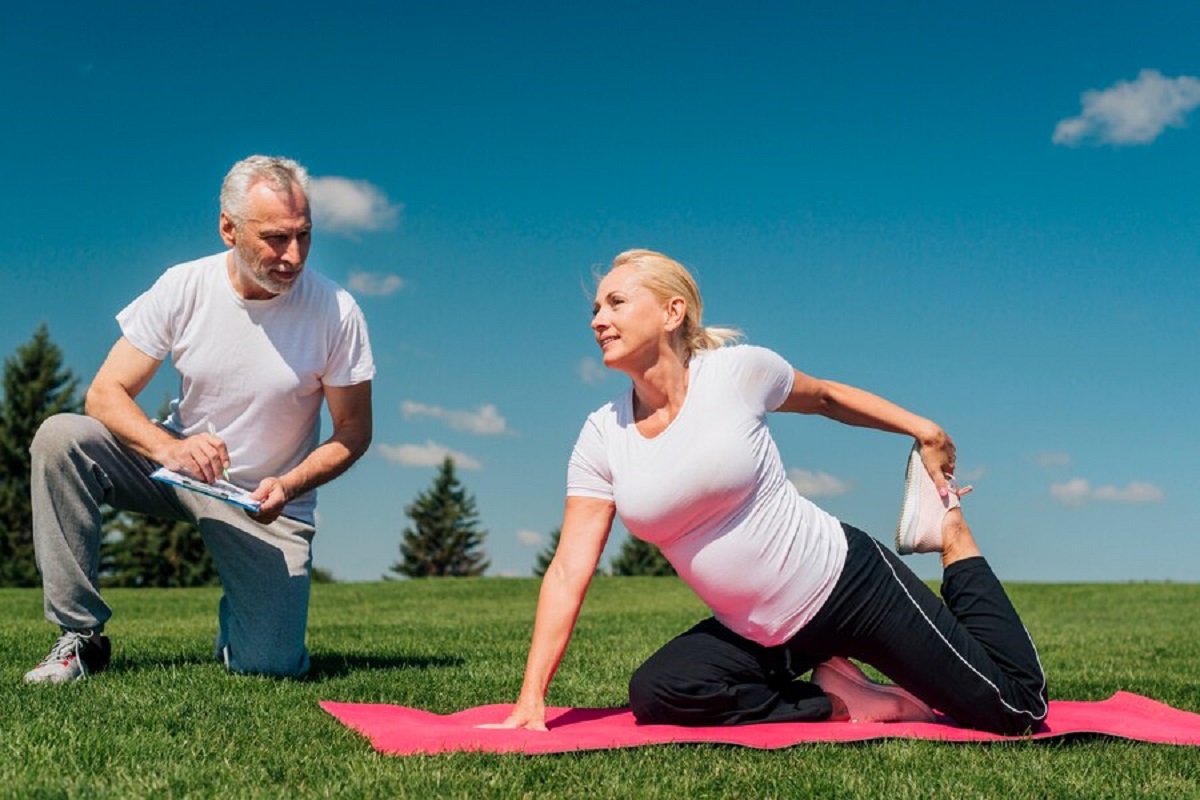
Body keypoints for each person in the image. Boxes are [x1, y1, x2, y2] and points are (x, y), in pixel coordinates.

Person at [492, 249, 1047, 734]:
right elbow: (569, 569)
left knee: (1016, 710)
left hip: (849, 587)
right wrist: (532, 695)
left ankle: (955, 537)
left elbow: (826, 396)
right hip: (763, 635)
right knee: (660, 690)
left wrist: (923, 430)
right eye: (594, 309)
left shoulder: (735, 374)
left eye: (614, 303)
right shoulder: (601, 436)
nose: (598, 320)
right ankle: (844, 700)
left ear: (671, 312)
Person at [24, 155, 375, 683]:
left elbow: (354, 432)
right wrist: (168, 449)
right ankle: (80, 636)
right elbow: (104, 394)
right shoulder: (184, 285)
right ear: (228, 228)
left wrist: (290, 483)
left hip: (267, 500)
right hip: (177, 467)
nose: (293, 255)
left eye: (304, 235)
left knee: (269, 667)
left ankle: (241, 619)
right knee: (62, 438)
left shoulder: (336, 310)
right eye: (276, 238)